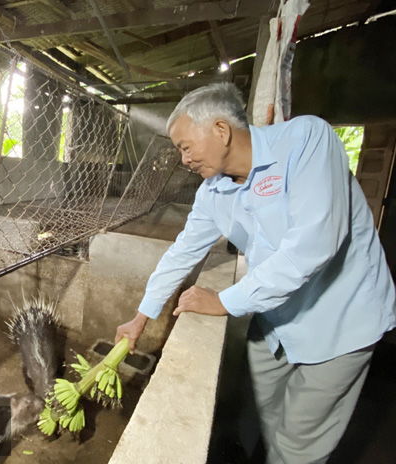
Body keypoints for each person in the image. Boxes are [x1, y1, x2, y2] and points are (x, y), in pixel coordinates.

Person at [115, 83, 396, 464]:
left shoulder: (306, 140)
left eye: (184, 146)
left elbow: (314, 244)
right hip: (276, 319)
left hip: (337, 321)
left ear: (220, 130)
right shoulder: (211, 192)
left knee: (298, 445)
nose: (183, 159)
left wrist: (225, 301)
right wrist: (141, 316)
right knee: (260, 420)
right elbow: (182, 252)